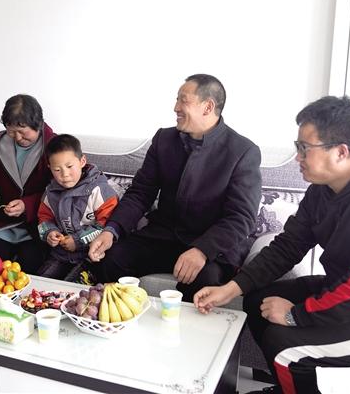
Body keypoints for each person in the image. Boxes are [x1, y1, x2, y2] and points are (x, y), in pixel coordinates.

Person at [193, 96, 350, 394]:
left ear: (340, 152)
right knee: (258, 300)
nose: (297, 157)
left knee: (283, 346)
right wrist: (230, 289)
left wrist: (295, 315)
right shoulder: (323, 188)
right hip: (348, 292)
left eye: (304, 148)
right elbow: (288, 246)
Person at [88, 74, 262, 301]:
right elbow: (141, 193)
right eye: (176, 100)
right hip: (163, 236)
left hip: (211, 246)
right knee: (112, 258)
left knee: (206, 280)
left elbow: (241, 217)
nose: (176, 107)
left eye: (183, 100)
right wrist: (112, 230)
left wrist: (202, 250)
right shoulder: (164, 139)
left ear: (207, 107)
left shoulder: (243, 151)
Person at [0, 94, 55, 273]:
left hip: (39, 227)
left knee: (30, 264)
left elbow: (59, 190)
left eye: (23, 132)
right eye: (11, 131)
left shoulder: (54, 146)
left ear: (38, 124)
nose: (17, 137)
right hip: (3, 224)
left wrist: (27, 205)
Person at [37, 134, 119, 280]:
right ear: (49, 168)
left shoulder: (100, 191)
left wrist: (78, 240)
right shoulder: (50, 193)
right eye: (57, 170)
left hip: (92, 255)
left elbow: (107, 226)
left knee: (72, 284)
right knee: (42, 280)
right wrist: (49, 232)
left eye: (69, 167)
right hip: (61, 253)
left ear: (82, 161)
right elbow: (44, 218)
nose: (65, 174)